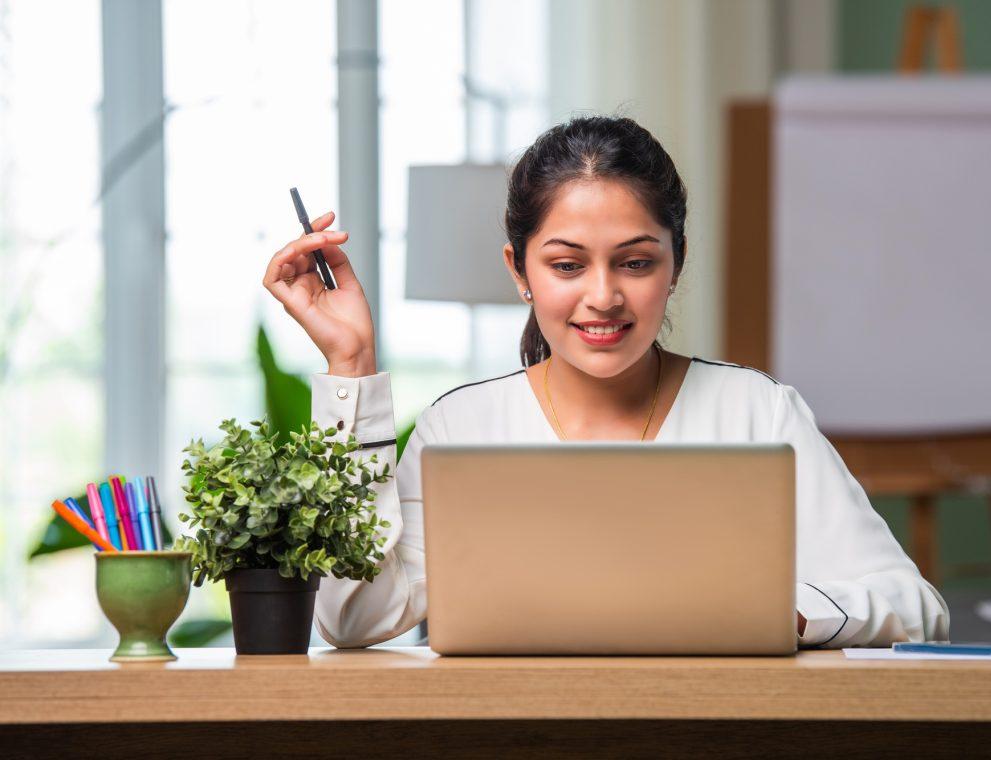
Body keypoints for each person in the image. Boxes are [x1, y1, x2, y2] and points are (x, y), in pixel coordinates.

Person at [262, 116, 949, 649]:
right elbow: (353, 618)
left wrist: (783, 613)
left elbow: (916, 606)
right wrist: (350, 362)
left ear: (676, 264)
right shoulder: (461, 427)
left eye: (635, 263)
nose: (603, 297)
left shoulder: (757, 412)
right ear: (519, 270)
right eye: (566, 266)